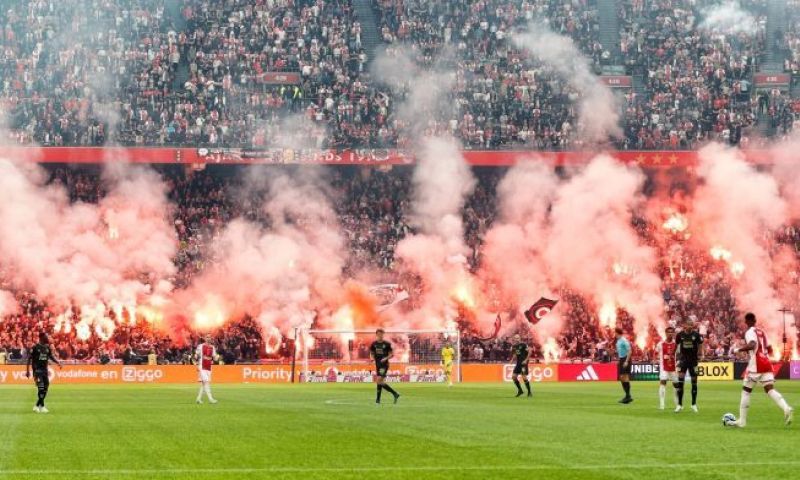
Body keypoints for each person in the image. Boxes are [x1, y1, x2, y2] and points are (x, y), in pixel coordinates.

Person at [729, 313, 793, 428]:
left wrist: (737, 349)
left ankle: (742, 421)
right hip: (766, 363)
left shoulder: (749, 332)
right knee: (770, 389)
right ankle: (786, 408)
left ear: (747, 321)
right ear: (755, 320)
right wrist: (766, 356)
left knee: (746, 391)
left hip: (756, 365)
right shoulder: (762, 332)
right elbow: (769, 348)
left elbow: (752, 345)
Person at [25, 332, 62, 413]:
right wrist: (27, 371)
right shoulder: (35, 347)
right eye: (47, 336)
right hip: (37, 371)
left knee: (45, 388)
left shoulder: (47, 347)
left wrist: (58, 362)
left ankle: (38, 405)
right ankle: (42, 406)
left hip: (45, 371)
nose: (48, 338)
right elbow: (28, 359)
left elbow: (51, 356)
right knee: (41, 388)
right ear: (42, 337)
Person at [675, 318, 703, 412]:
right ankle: (679, 404)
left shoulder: (696, 335)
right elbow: (677, 346)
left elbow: (700, 345)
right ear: (685, 325)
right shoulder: (680, 335)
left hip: (693, 361)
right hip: (683, 360)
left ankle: (694, 404)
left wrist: (700, 354)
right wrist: (676, 357)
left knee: (694, 382)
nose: (690, 326)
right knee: (680, 382)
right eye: (689, 325)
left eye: (692, 325)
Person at [369, 329, 400, 404]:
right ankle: (379, 399)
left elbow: (391, 354)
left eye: (382, 334)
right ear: (376, 334)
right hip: (377, 364)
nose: (380, 335)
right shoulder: (374, 344)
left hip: (384, 365)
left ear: (383, 334)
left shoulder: (387, 344)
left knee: (379, 380)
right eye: (379, 334)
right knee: (379, 381)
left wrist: (385, 358)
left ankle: (393, 393)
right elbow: (371, 353)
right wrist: (372, 358)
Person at [657, 326, 680, 410]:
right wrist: (655, 359)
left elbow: (680, 354)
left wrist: (679, 362)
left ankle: (677, 403)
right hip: (664, 367)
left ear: (673, 333)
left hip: (673, 367)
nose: (670, 333)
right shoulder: (660, 344)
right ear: (666, 333)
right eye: (668, 332)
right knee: (663, 382)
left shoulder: (676, 344)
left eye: (672, 332)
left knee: (676, 385)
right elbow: (656, 352)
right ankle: (662, 404)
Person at [195, 335, 218, 404]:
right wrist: (196, 364)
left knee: (203, 384)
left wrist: (217, 357)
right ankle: (211, 399)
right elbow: (196, 355)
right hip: (202, 366)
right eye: (207, 337)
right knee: (206, 382)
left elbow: (215, 357)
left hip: (208, 367)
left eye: (210, 337)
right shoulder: (200, 346)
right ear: (205, 338)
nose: (209, 338)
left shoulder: (212, 347)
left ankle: (198, 399)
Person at [616, 328, 633, 404]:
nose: (614, 334)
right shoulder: (618, 341)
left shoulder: (624, 340)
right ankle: (627, 396)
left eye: (615, 333)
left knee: (625, 377)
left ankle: (628, 396)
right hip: (621, 359)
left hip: (626, 359)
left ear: (617, 333)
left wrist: (626, 361)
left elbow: (629, 351)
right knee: (622, 377)